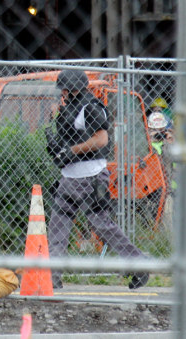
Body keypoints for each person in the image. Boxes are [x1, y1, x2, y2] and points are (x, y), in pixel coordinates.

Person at [46, 70, 149, 289]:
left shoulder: (90, 107)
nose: (62, 92)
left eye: (65, 88)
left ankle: (139, 263)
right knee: (58, 225)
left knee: (101, 225)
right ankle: (51, 277)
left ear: (74, 87)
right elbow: (68, 137)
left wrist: (71, 151)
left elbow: (101, 139)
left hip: (91, 177)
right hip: (69, 177)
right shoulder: (68, 108)